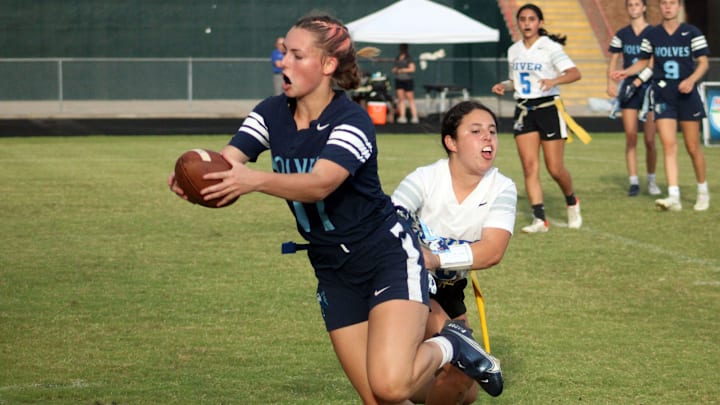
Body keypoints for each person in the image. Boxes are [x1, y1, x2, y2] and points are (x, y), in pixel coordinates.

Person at [168, 14, 499, 404]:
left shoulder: (352, 120)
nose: (284, 63)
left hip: (385, 257)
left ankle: (452, 345)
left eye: (295, 55)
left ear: (327, 65)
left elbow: (321, 182)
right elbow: (228, 163)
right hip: (331, 268)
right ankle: (455, 380)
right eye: (282, 54)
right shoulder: (271, 113)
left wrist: (253, 179)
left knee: (390, 385)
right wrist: (199, 182)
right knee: (379, 400)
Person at [392, 101, 516, 404]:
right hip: (408, 285)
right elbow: (390, 217)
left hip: (450, 290)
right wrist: (412, 247)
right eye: (476, 131)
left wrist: (435, 258)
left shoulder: (501, 187)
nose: (488, 138)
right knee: (461, 369)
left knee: (466, 391)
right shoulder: (425, 178)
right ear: (451, 142)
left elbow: (492, 250)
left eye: (492, 131)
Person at [491, 3, 582, 233]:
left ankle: (572, 201)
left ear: (540, 23)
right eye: (523, 19)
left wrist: (554, 81)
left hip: (548, 108)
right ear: (518, 23)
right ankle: (539, 218)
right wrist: (504, 85)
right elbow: (519, 81)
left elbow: (574, 73)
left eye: (532, 19)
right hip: (524, 110)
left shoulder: (549, 47)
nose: (527, 23)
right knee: (529, 167)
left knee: (555, 168)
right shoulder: (514, 50)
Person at [611, 0, 710, 212]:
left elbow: (703, 62)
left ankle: (703, 190)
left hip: (687, 94)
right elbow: (644, 62)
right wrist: (626, 72)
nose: (668, 7)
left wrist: (692, 79)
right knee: (668, 144)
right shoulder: (652, 35)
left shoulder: (691, 32)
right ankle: (674, 195)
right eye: (664, 3)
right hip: (663, 94)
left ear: (679, 6)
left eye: (672, 3)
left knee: (692, 147)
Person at [606, 0, 661, 197]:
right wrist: (610, 82)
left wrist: (637, 80)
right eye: (630, 5)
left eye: (637, 5)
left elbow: (652, 63)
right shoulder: (622, 34)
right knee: (630, 136)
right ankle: (634, 182)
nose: (634, 8)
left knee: (649, 139)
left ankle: (652, 180)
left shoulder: (654, 32)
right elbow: (613, 60)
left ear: (644, 8)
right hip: (628, 87)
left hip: (649, 88)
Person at [392, 43, 420, 124]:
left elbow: (412, 69)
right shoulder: (398, 57)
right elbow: (394, 68)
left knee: (410, 98)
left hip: (407, 80)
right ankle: (402, 116)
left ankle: (414, 117)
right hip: (399, 79)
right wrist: (396, 70)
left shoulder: (409, 58)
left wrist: (402, 70)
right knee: (401, 99)